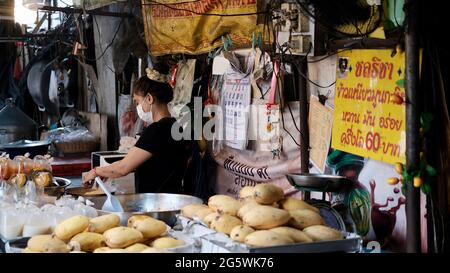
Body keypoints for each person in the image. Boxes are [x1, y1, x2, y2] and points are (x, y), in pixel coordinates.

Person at [82, 75, 190, 194]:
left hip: (156, 203)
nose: (138, 107)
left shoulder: (156, 130)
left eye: (138, 101)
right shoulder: (176, 127)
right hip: (173, 198)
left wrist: (95, 171)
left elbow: (123, 168)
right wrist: (106, 171)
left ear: (149, 99)